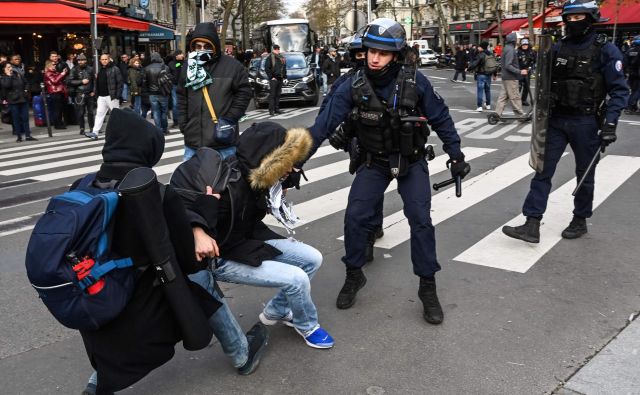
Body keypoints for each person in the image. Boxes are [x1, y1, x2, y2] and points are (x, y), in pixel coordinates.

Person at [78, 108, 269, 394]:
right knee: (201, 282)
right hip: (148, 290)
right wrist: (207, 209)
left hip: (99, 286)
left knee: (114, 343)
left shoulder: (83, 186)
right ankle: (241, 354)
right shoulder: (152, 193)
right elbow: (186, 254)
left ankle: (97, 384)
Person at [307, 18, 470, 324]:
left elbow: (442, 119)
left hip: (411, 162)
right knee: (355, 216)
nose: (374, 57)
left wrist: (456, 155)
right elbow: (321, 127)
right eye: (370, 50)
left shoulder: (415, 81)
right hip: (374, 162)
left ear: (396, 54)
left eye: (382, 52)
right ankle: (354, 274)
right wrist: (293, 164)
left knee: (421, 220)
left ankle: (427, 287)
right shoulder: (351, 84)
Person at [173, 121, 335, 349]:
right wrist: (197, 229)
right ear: (267, 160)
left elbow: (282, 182)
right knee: (296, 279)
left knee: (312, 258)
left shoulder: (260, 178)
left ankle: (276, 310)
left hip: (247, 240)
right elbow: (176, 203)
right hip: (221, 256)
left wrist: (291, 175)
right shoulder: (223, 180)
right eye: (285, 163)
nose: (289, 169)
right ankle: (307, 325)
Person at [502, 0, 629, 243]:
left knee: (585, 174)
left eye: (578, 18)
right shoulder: (558, 47)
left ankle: (580, 219)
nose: (572, 22)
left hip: (587, 121)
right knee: (542, 171)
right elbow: (544, 83)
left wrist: (610, 124)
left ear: (590, 19)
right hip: (557, 120)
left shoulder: (606, 50)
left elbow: (620, 90)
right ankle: (532, 223)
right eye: (569, 18)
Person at [177, 22, 251, 161]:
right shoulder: (188, 66)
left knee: (228, 182)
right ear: (193, 47)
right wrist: (184, 124)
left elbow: (245, 93)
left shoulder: (232, 66)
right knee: (189, 183)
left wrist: (230, 118)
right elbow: (182, 96)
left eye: (207, 46)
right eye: (198, 46)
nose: (202, 50)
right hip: (193, 144)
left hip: (223, 144)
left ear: (214, 45)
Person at [86, 54, 123, 140]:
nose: (104, 61)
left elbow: (120, 83)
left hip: (111, 96)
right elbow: (97, 83)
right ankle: (95, 133)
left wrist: (117, 95)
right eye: (102, 59)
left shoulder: (115, 69)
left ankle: (120, 133)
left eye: (106, 59)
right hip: (101, 97)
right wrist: (96, 93)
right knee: (99, 114)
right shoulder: (100, 69)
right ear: (100, 60)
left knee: (116, 115)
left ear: (109, 59)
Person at [0, 61, 35, 142]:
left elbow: (26, 83)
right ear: (4, 69)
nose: (10, 69)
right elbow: (7, 86)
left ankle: (28, 136)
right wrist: (9, 76)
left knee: (25, 118)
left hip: (23, 98)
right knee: (16, 119)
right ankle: (19, 137)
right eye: (8, 67)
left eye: (11, 67)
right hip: (13, 100)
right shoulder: (3, 77)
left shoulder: (18, 74)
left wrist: (26, 90)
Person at [494, 32, 526, 118]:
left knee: (503, 97)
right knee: (515, 97)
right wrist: (519, 71)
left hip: (506, 77)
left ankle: (497, 114)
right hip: (511, 77)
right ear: (514, 40)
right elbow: (508, 65)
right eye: (517, 39)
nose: (518, 40)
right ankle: (521, 116)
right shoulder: (511, 49)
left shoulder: (506, 48)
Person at [67, 53, 95, 135]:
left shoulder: (90, 69)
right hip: (79, 93)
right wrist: (81, 81)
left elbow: (94, 81)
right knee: (81, 112)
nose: (80, 62)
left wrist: (94, 91)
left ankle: (92, 127)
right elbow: (69, 81)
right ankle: (82, 128)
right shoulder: (74, 69)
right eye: (79, 60)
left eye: (82, 60)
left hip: (90, 93)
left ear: (85, 60)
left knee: (90, 112)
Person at [143, 52, 170, 135]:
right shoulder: (165, 67)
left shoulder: (147, 68)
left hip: (152, 93)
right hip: (163, 93)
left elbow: (144, 82)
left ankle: (158, 129)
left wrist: (146, 92)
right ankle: (165, 128)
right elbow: (169, 81)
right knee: (164, 111)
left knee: (155, 111)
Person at [468, 41, 497, 112]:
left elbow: (474, 64)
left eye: (479, 47)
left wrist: (468, 68)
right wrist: (495, 75)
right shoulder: (491, 54)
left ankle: (479, 106)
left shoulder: (481, 55)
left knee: (480, 91)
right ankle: (488, 105)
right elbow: (494, 65)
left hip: (481, 74)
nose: (478, 48)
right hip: (489, 75)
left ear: (482, 47)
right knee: (487, 90)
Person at [43, 59, 68, 130]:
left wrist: (62, 73)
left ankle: (59, 123)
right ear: (48, 65)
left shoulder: (54, 72)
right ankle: (57, 124)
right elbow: (55, 81)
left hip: (59, 92)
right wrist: (62, 74)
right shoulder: (48, 73)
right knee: (57, 109)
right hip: (55, 92)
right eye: (53, 64)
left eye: (55, 64)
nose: (55, 65)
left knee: (59, 109)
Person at [264, 44, 287, 116]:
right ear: (273, 49)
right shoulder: (270, 57)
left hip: (280, 78)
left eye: (278, 49)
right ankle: (271, 110)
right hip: (274, 79)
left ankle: (276, 109)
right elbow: (267, 68)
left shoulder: (281, 57)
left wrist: (285, 76)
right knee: (273, 95)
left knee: (278, 95)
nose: (277, 50)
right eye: (276, 49)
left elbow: (284, 68)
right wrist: (271, 77)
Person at [517, 38, 536, 106]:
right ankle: (516, 100)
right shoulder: (518, 51)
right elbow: (515, 62)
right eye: (523, 45)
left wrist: (531, 67)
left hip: (528, 71)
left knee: (527, 87)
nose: (524, 46)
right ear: (521, 45)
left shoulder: (532, 52)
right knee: (518, 86)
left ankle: (523, 100)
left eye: (526, 45)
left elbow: (535, 61)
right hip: (519, 71)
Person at [167, 50, 184, 127]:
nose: (182, 55)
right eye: (181, 54)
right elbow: (171, 74)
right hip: (175, 86)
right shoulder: (171, 64)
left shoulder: (185, 63)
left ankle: (184, 120)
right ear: (176, 56)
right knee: (175, 103)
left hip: (185, 85)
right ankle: (176, 121)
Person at [623, 35, 640, 112]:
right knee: (637, 91)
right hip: (638, 73)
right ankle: (629, 106)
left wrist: (625, 73)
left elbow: (624, 63)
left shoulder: (630, 50)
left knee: (634, 90)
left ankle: (633, 106)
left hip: (631, 73)